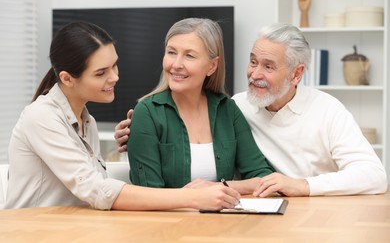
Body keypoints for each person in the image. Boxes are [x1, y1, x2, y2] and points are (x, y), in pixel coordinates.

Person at [115, 23, 388, 197]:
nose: (255, 74)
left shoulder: (327, 111)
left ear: (296, 74)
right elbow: (148, 189)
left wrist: (301, 185)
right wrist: (136, 131)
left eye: (268, 66)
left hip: (319, 213)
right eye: (253, 61)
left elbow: (374, 176)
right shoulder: (239, 105)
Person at [5, 21, 241, 211]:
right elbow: (96, 190)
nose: (115, 77)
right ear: (67, 79)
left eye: (114, 66)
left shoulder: (88, 122)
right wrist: (192, 198)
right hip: (34, 231)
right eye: (101, 73)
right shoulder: (41, 116)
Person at [126, 18, 275, 194]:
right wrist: (199, 197)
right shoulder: (147, 112)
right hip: (168, 221)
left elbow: (263, 178)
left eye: (189, 55)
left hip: (223, 220)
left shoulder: (228, 110)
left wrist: (220, 187)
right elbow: (148, 194)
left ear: (212, 66)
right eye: (171, 52)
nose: (176, 65)